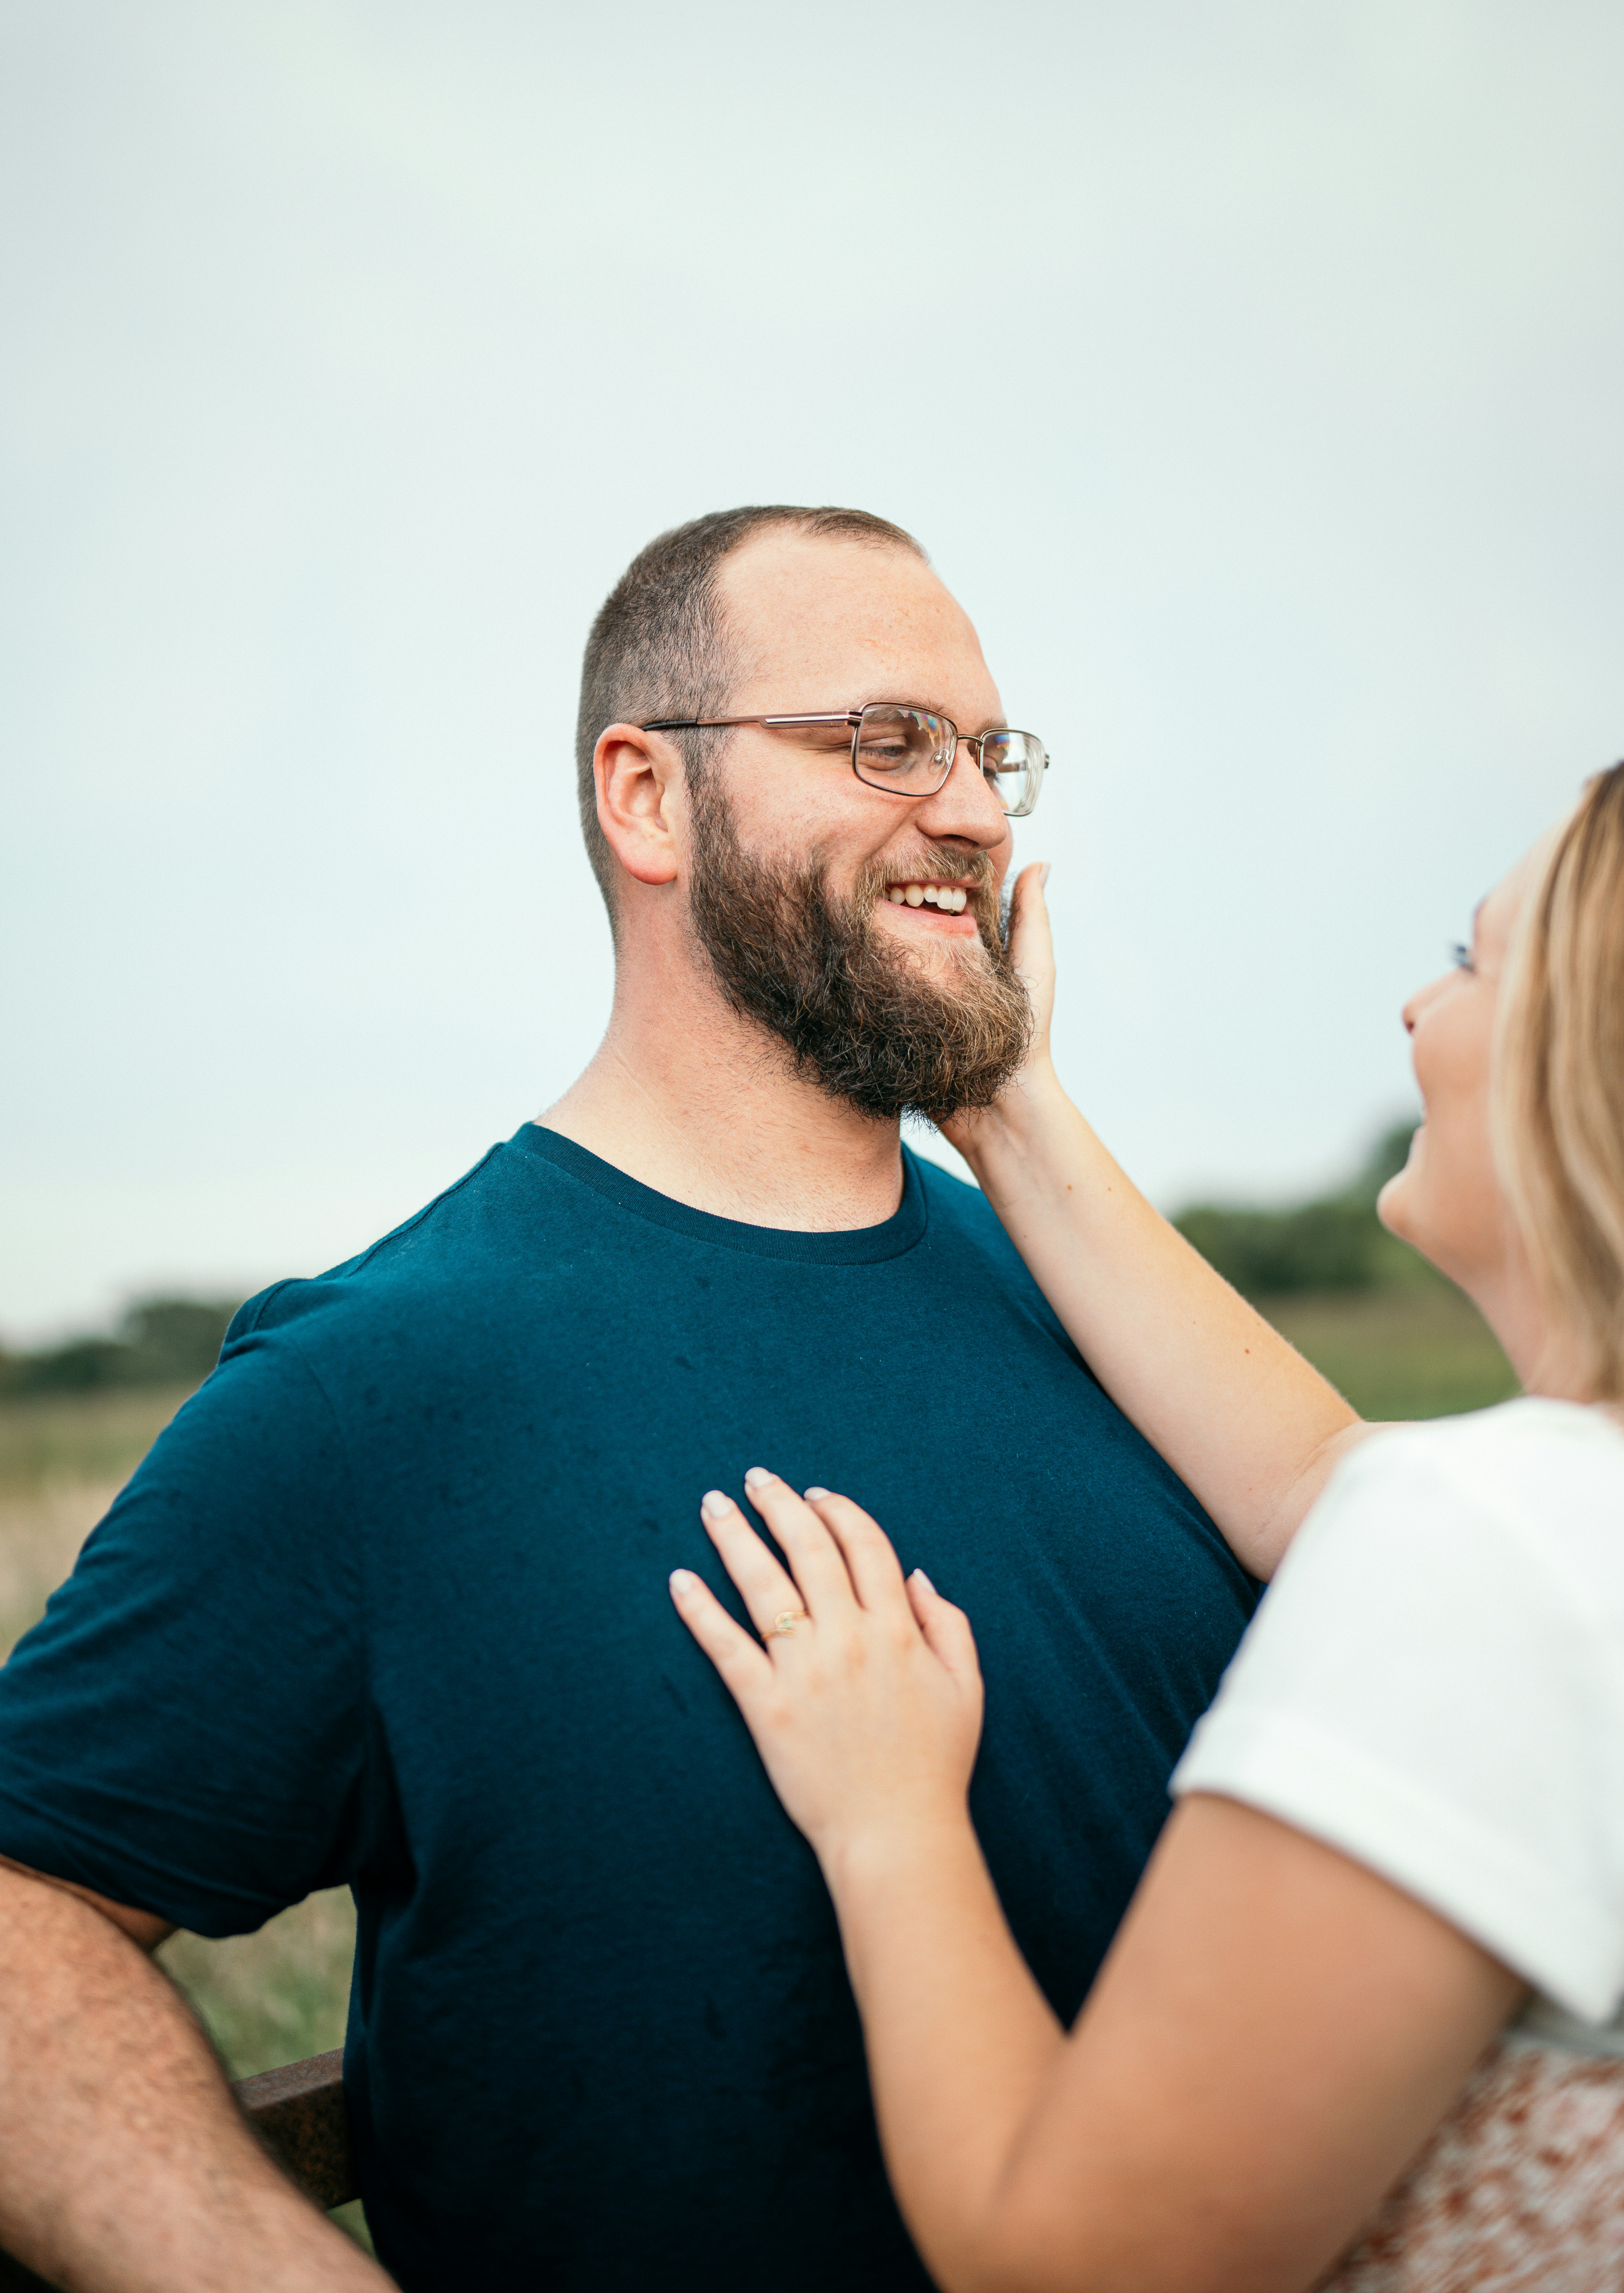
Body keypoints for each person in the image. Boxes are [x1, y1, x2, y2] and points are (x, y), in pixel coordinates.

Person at [0, 506, 1336, 2292]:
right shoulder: (381, 1380)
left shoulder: (1119, 1315)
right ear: (645, 797)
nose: (969, 807)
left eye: (987, 751)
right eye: (885, 738)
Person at [674, 747, 1624, 2292]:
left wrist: (889, 1813)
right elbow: (1312, 1480)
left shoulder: (1506, 1550)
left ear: (1620, 1061)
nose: (1418, 1012)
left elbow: (1073, 2261)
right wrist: (1001, 1094)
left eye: (1469, 960)